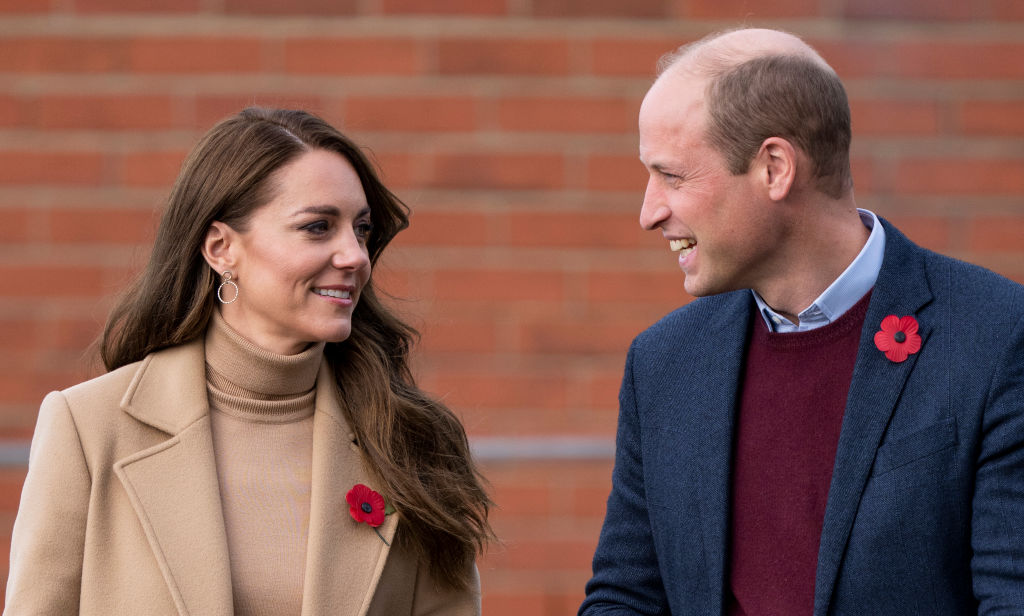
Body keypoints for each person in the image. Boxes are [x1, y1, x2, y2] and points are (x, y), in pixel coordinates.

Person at [580, 28, 1024, 615]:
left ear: (774, 168)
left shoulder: (995, 337)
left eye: (673, 176)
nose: (649, 212)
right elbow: (625, 598)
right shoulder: (664, 362)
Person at [6, 107, 493, 615]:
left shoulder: (408, 437)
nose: (354, 255)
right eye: (318, 227)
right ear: (221, 248)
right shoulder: (88, 428)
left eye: (362, 229)